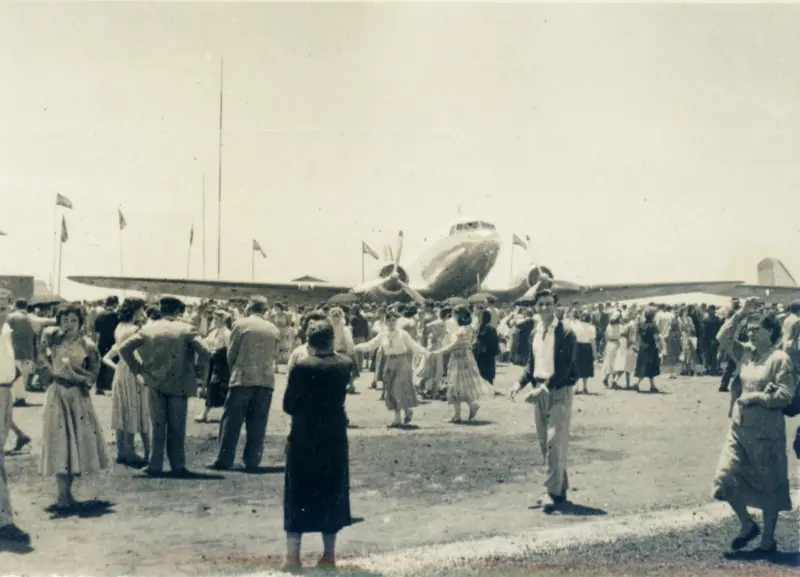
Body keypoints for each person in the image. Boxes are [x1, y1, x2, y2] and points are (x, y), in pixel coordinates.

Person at [712, 297, 795, 555]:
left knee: (768, 485)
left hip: (766, 434)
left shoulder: (779, 359)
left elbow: (786, 395)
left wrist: (759, 397)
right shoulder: (745, 353)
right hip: (739, 430)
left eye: (755, 330)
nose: (750, 335)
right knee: (726, 479)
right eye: (748, 331)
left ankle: (768, 540)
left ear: (770, 331)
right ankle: (748, 525)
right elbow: (722, 339)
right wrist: (740, 313)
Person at [281, 319, 352, 570]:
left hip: (305, 434)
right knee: (332, 492)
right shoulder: (345, 364)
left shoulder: (302, 366)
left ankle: (292, 557)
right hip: (334, 434)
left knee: (297, 491)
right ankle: (329, 555)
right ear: (331, 340)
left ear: (309, 343)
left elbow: (288, 405)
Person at [118, 297, 211, 476]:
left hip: (153, 382)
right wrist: (198, 371)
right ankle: (177, 465)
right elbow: (206, 352)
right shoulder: (187, 329)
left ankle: (155, 464)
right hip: (180, 383)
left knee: (157, 425)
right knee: (177, 426)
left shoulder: (147, 328)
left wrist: (138, 368)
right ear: (178, 312)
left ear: (161, 309)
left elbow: (124, 349)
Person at [509, 290, 578, 512]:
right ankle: (560, 490)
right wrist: (519, 383)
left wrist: (545, 388)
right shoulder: (534, 333)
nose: (545, 308)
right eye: (541, 304)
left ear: (556, 306)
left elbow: (566, 367)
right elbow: (531, 364)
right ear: (536, 307)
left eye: (549, 304)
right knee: (545, 445)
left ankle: (550, 491)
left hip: (559, 390)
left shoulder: (566, 332)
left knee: (554, 441)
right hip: (539, 389)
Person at [39, 303, 109, 508]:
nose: (69, 324)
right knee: (59, 442)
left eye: (73, 320)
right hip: (56, 394)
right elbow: (40, 354)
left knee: (76, 444)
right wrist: (51, 365)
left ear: (81, 322)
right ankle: (62, 495)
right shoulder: (53, 339)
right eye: (64, 320)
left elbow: (94, 374)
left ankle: (67, 494)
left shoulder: (88, 345)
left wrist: (77, 375)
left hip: (78, 396)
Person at [210, 296, 279, 471]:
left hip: (242, 378)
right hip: (265, 379)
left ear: (249, 307)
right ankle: (253, 460)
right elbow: (275, 355)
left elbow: (231, 353)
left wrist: (234, 370)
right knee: (258, 421)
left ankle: (224, 459)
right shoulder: (273, 328)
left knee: (231, 421)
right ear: (264, 309)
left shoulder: (240, 324)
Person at [354, 309, 428, 428]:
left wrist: (426, 352)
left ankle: (407, 410)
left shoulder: (403, 333)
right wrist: (356, 347)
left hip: (402, 362)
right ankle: (398, 418)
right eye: (389, 320)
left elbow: (413, 345)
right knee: (391, 391)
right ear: (385, 321)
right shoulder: (383, 334)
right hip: (389, 362)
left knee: (398, 387)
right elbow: (371, 345)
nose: (391, 322)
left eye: (393, 320)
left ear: (396, 321)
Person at [103, 297, 151, 466]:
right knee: (133, 407)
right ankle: (130, 450)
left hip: (121, 369)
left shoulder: (119, 327)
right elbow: (139, 353)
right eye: (141, 309)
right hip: (132, 369)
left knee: (121, 408)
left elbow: (115, 352)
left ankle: (121, 451)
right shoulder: (136, 329)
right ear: (136, 310)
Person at [0, 289, 31, 545]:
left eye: (2, 307)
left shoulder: (7, 332)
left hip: (4, 394)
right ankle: (5, 518)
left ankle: (5, 517)